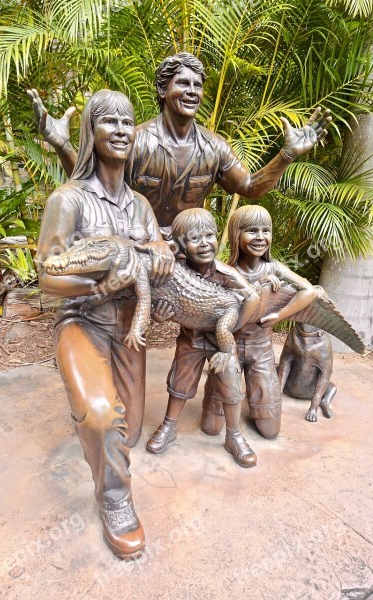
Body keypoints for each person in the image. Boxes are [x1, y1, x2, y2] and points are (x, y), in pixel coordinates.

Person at [28, 52, 332, 434]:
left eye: (197, 84)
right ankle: (93, 367)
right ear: (163, 89)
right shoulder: (136, 139)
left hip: (187, 255)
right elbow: (96, 182)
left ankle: (225, 402)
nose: (191, 91)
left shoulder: (214, 147)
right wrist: (61, 145)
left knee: (219, 312)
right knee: (137, 314)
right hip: (140, 249)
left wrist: (286, 155)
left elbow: (250, 187)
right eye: (182, 82)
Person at [36, 90, 174, 560]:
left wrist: (160, 254)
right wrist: (100, 284)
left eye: (127, 122)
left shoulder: (140, 207)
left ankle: (98, 425)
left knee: (128, 433)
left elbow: (160, 255)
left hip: (129, 331)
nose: (119, 129)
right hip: (82, 321)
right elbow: (47, 279)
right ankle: (114, 500)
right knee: (101, 416)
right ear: (91, 134)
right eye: (108, 121)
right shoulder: (67, 200)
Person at [146, 207, 259, 467]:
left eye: (209, 235)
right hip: (191, 338)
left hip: (222, 342)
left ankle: (234, 436)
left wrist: (231, 327)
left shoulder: (225, 273)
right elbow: (161, 306)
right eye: (194, 238)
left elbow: (252, 296)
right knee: (180, 380)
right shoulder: (175, 270)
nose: (205, 243)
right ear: (181, 244)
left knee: (230, 380)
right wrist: (159, 316)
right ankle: (169, 426)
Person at [204, 205, 318, 440]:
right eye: (252, 231)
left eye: (266, 230)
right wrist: (259, 288)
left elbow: (309, 291)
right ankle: (229, 394)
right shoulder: (225, 271)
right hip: (229, 347)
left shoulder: (273, 268)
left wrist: (280, 314)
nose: (260, 237)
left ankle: (257, 395)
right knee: (211, 427)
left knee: (270, 431)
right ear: (236, 234)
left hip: (261, 349)